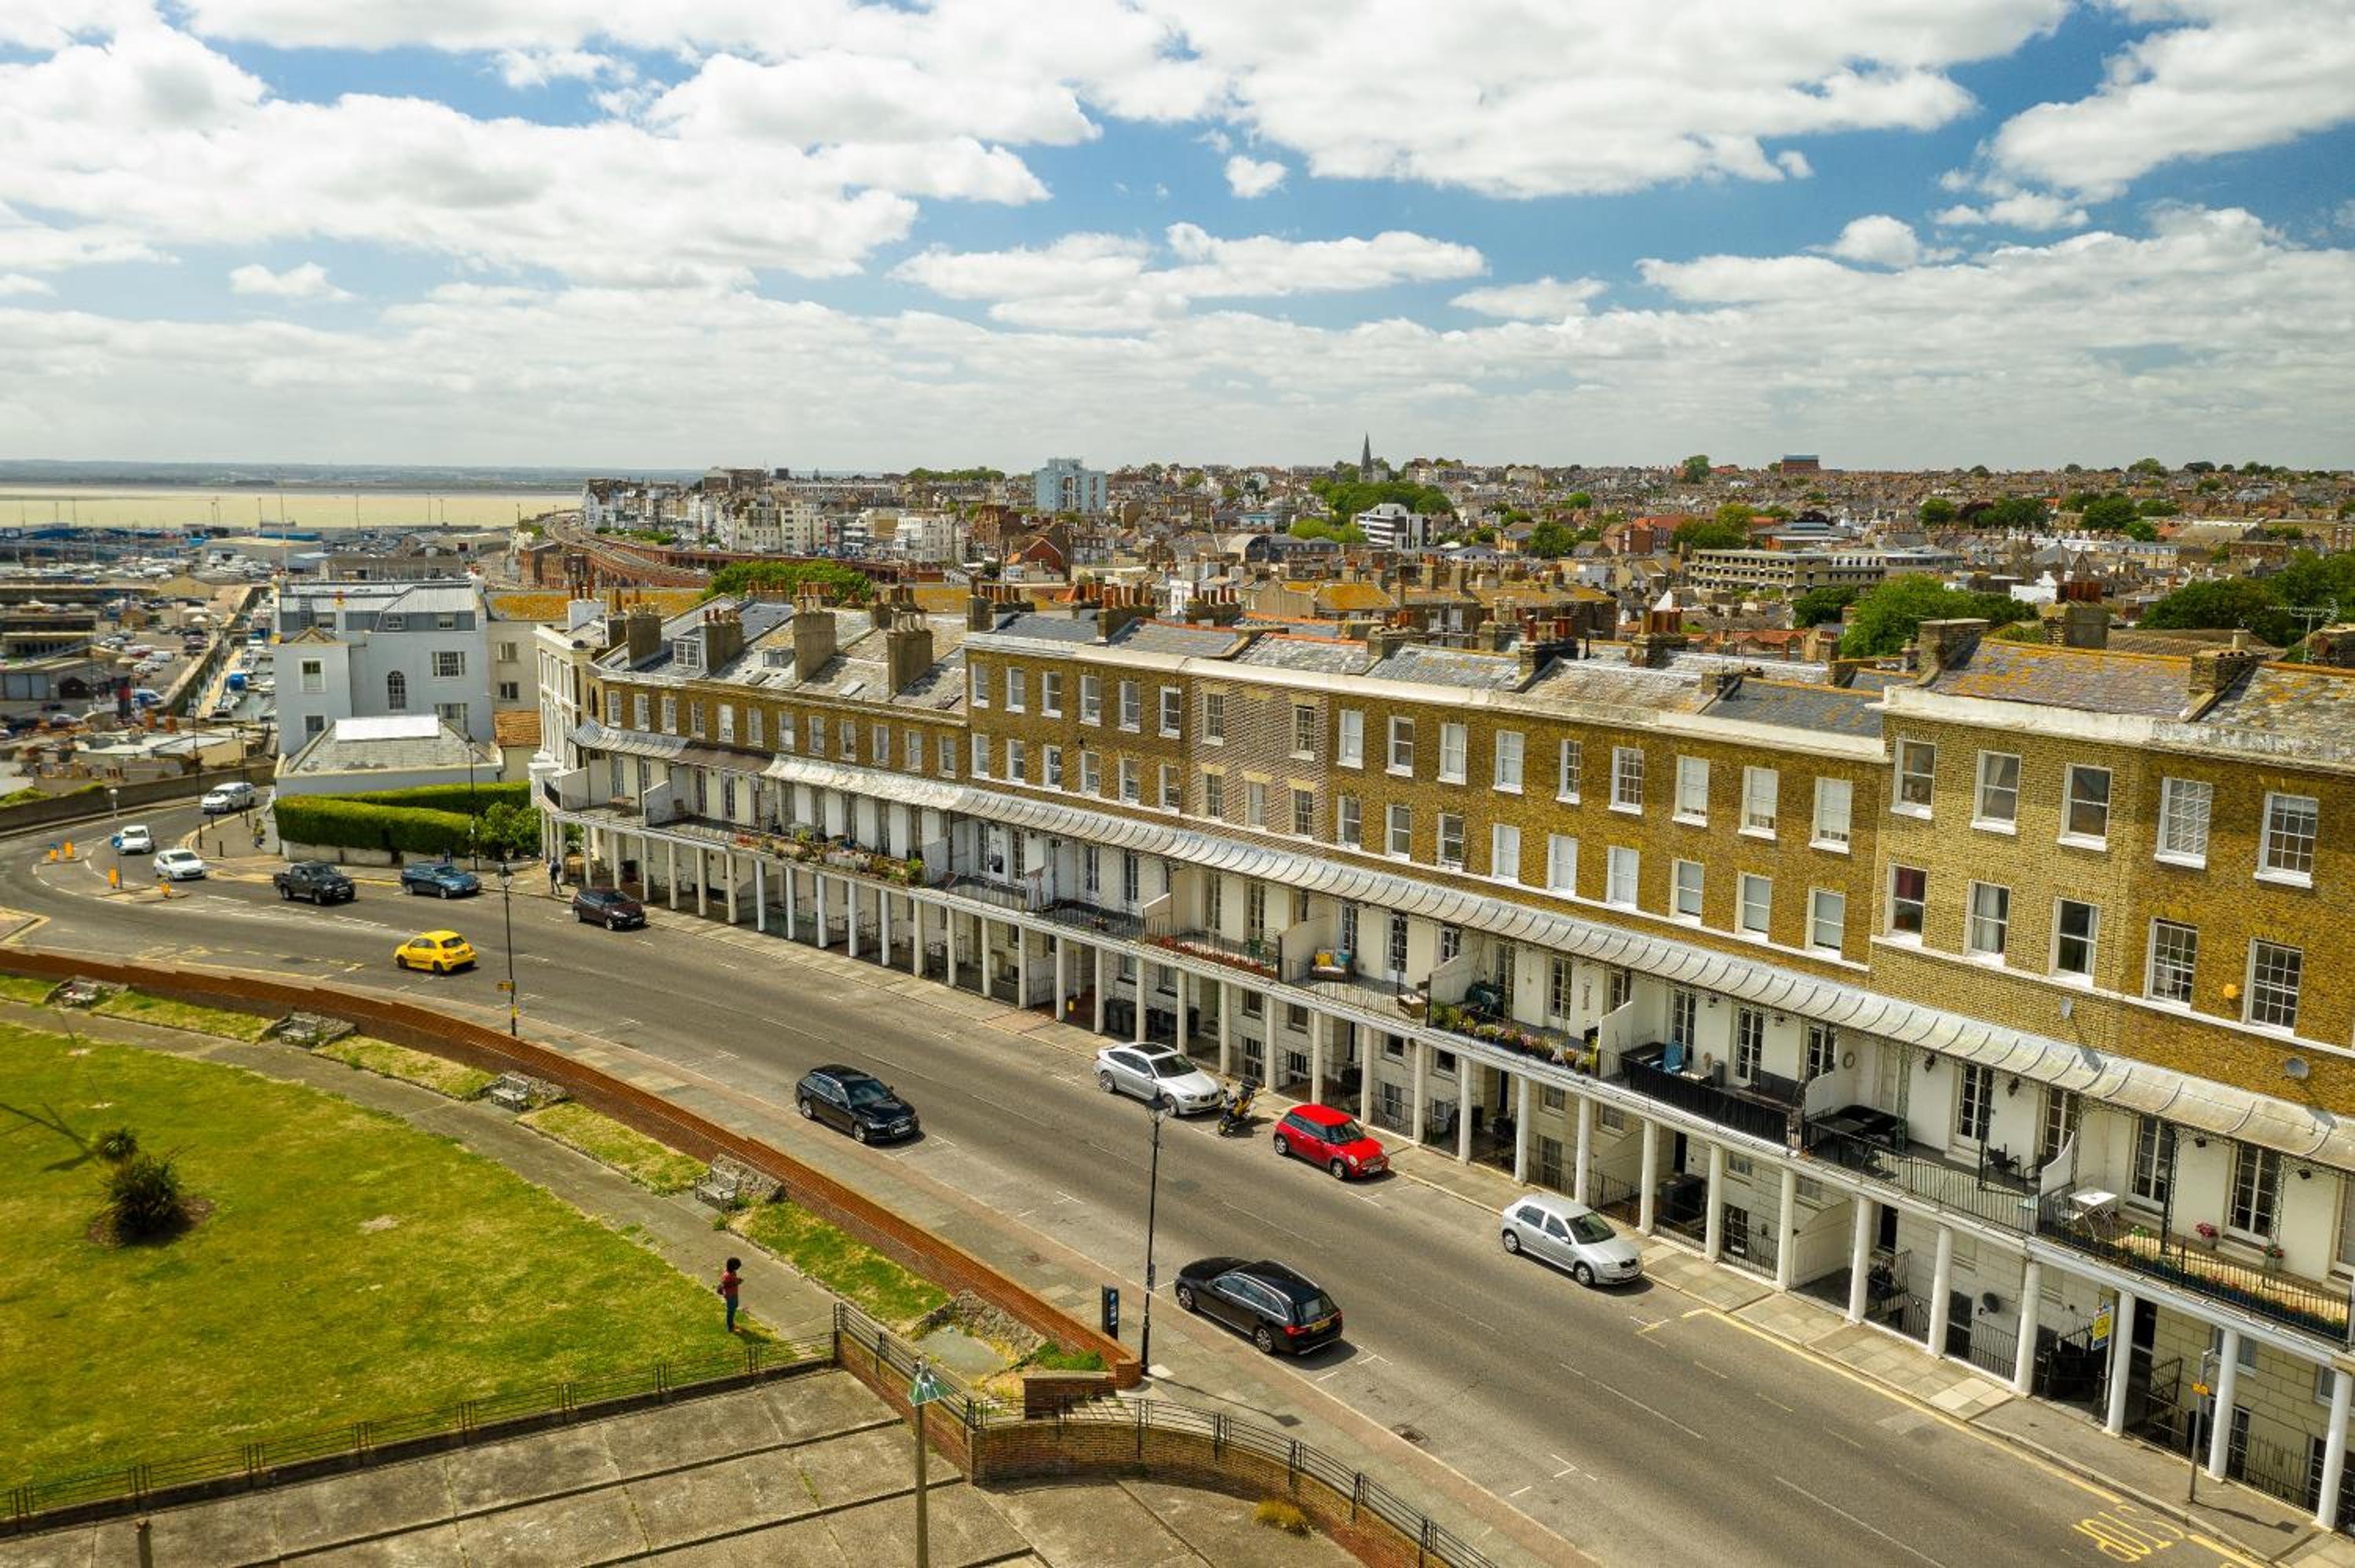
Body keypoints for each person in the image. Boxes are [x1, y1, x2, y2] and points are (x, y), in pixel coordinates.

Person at [717, 1256, 742, 1332]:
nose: (737, 1269)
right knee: (731, 1311)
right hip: (730, 1295)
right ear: (733, 1267)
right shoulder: (727, 1276)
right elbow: (725, 1285)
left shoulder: (733, 1272)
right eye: (737, 1267)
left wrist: (737, 1281)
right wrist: (737, 1283)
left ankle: (731, 1323)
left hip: (734, 1293)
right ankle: (730, 1326)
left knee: (735, 1305)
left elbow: (733, 1280)